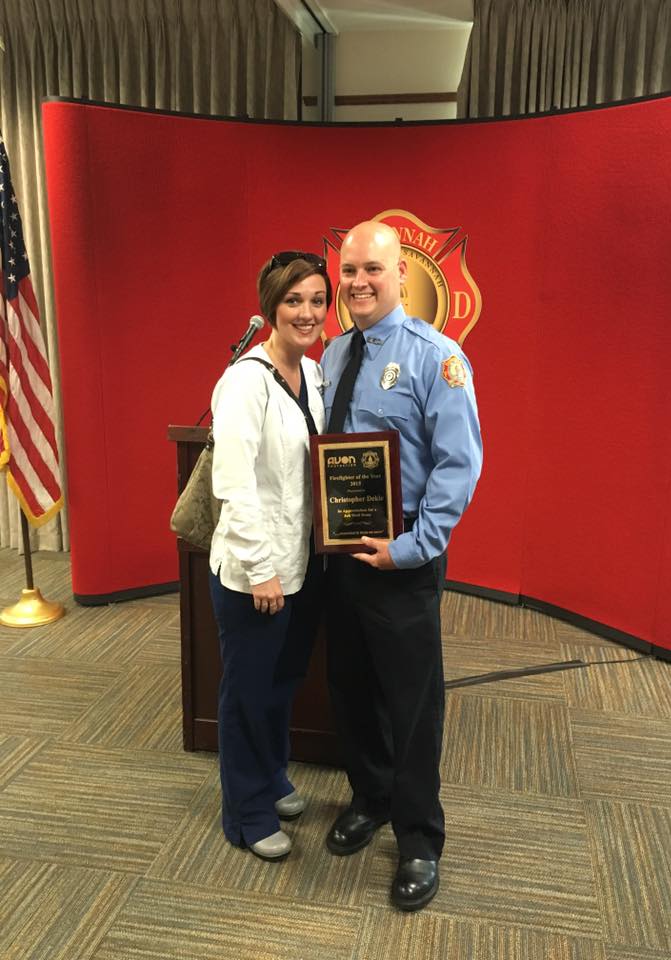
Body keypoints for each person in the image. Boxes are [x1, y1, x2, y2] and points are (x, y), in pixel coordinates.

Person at [320, 220, 482, 910]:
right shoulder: (333, 353)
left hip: (403, 557)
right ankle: (371, 796)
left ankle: (418, 836)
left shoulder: (436, 358)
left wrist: (410, 547)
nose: (358, 282)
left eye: (372, 270)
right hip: (342, 554)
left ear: (402, 276)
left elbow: (458, 466)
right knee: (352, 686)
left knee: (413, 702)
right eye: (349, 270)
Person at [208, 251, 331, 860]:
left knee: (282, 683)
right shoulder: (245, 381)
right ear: (270, 306)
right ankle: (246, 811)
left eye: (317, 300)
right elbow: (234, 486)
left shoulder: (314, 373)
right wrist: (261, 571)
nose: (307, 313)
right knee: (248, 693)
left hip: (302, 565)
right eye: (293, 300)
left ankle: (273, 775)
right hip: (254, 574)